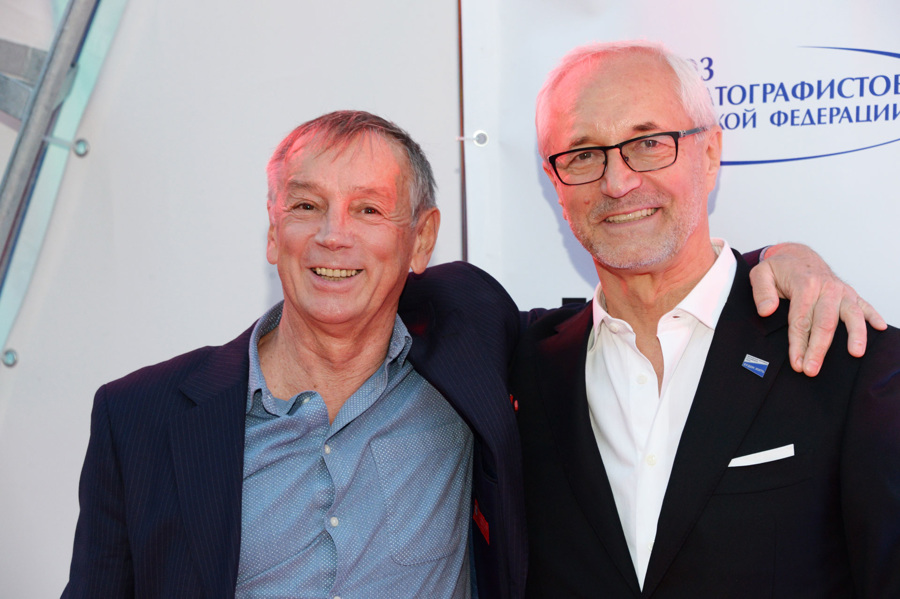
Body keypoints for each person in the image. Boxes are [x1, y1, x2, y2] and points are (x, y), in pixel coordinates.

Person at [63, 110, 880, 599]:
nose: (333, 236)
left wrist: (778, 262)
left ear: (421, 240)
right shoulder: (143, 416)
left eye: (369, 209)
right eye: (306, 206)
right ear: (273, 231)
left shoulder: (472, 353)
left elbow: (635, 303)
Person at [513, 40, 900, 597]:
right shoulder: (524, 366)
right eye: (583, 155)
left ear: (711, 153)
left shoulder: (845, 355)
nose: (617, 182)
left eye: (649, 143)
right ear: (556, 184)